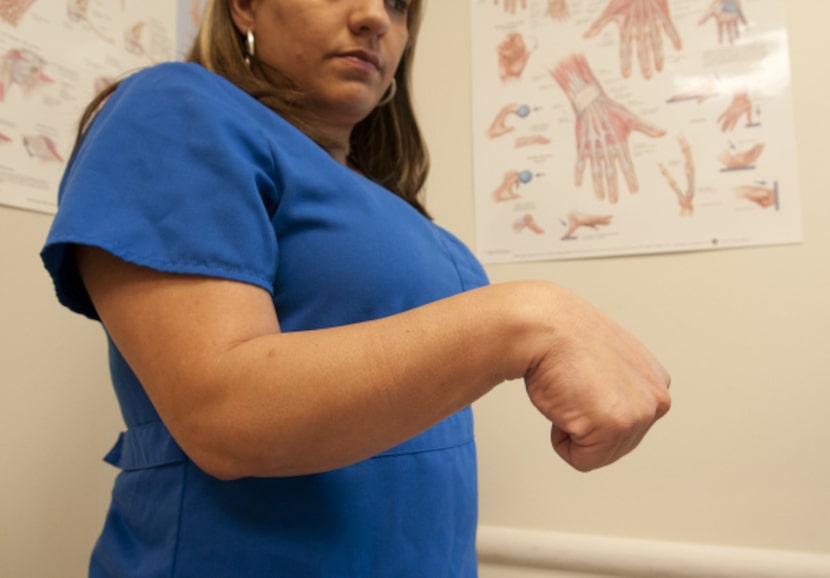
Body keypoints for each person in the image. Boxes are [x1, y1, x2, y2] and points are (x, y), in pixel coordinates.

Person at [41, 0, 671, 576]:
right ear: (245, 6)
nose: (376, 17)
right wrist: (528, 318)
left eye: (400, 6)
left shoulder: (390, 203)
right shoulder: (173, 107)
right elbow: (222, 413)